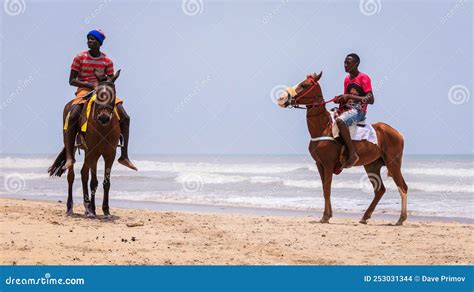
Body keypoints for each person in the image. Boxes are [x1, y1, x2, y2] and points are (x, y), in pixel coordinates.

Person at [63, 29, 137, 171]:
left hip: (104, 90)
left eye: (93, 39)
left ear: (100, 43)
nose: (90, 41)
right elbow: (71, 80)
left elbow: (110, 80)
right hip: (84, 90)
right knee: (73, 115)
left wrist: (102, 87)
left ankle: (124, 156)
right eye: (88, 39)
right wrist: (91, 85)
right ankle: (69, 157)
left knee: (125, 116)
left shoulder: (107, 60)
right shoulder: (79, 57)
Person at [334, 53, 374, 168]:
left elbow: (370, 99)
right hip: (348, 109)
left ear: (356, 64)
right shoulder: (347, 79)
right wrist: (340, 99)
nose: (345, 65)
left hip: (359, 111)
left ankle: (352, 154)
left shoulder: (363, 77)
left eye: (348, 63)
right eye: (344, 62)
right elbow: (346, 99)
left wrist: (349, 97)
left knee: (341, 121)